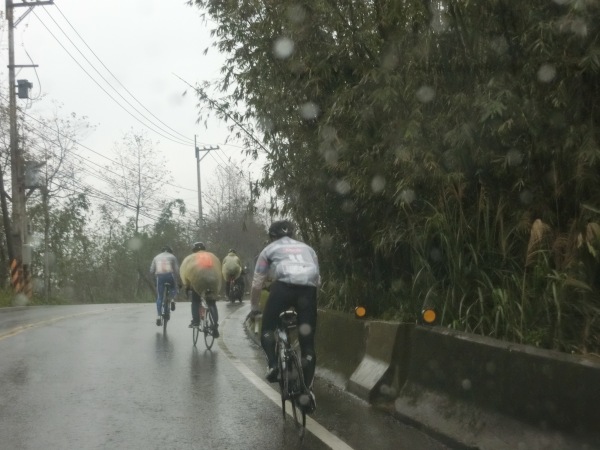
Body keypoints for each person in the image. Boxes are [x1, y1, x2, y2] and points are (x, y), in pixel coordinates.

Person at [250, 220, 320, 414]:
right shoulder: (309, 249)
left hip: (283, 289)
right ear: (293, 234)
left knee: (267, 328)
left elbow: (257, 283)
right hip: (307, 292)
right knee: (307, 344)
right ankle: (307, 392)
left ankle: (273, 365)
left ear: (272, 236)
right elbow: (317, 280)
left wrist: (254, 308)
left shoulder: (269, 249)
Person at [180, 241, 221, 338]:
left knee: (195, 301)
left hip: (198, 281)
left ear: (194, 250)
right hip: (213, 280)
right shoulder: (212, 256)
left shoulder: (191, 258)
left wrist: (187, 286)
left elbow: (185, 272)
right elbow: (219, 269)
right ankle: (215, 325)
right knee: (212, 303)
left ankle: (196, 321)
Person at [149, 245, 179, 326]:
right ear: (170, 251)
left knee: (160, 296)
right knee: (173, 287)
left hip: (160, 277)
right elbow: (176, 270)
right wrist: (177, 279)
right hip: (170, 275)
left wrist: (153, 277)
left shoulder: (156, 257)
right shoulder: (172, 257)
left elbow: (151, 270)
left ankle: (159, 316)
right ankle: (172, 299)